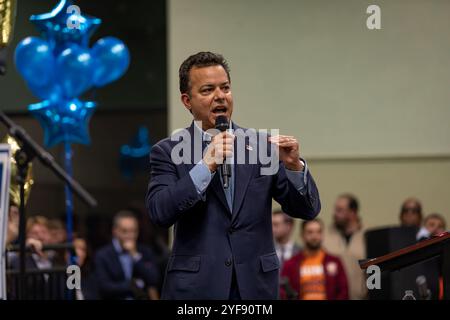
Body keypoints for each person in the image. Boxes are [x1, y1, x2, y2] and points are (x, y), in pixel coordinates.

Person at [146, 52, 321, 299]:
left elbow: (307, 210)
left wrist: (294, 167)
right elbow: (159, 212)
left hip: (254, 288)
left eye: (225, 88)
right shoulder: (168, 151)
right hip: (197, 290)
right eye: (207, 90)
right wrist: (205, 167)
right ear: (187, 100)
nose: (220, 96)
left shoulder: (261, 146)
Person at [94, 210, 160, 300]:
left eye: (134, 231)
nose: (130, 235)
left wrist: (135, 255)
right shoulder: (103, 255)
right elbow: (104, 286)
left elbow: (153, 279)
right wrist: (132, 286)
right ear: (115, 231)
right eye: (125, 231)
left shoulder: (145, 251)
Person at [281, 219, 348, 300]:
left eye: (318, 232)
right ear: (302, 235)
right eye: (310, 232)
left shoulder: (335, 261)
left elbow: (344, 291)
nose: (315, 236)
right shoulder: (290, 264)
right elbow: (283, 292)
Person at [323, 194, 366, 300]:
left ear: (352, 212)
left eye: (339, 210)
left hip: (361, 297)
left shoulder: (368, 236)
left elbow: (376, 269)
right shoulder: (325, 236)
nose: (334, 214)